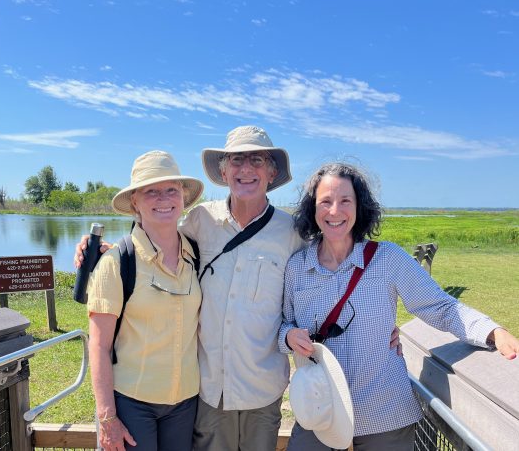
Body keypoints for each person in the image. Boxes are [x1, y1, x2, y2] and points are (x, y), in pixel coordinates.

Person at [76, 127, 402, 451]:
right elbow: (155, 236)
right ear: (223, 169)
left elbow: (332, 269)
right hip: (207, 391)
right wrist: (105, 252)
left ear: (271, 171)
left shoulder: (292, 233)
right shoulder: (200, 221)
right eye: (236, 160)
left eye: (256, 160)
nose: (246, 169)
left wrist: (375, 325)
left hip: (262, 391)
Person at [279, 162, 519, 451]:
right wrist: (289, 337)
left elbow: (440, 306)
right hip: (320, 410)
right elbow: (283, 324)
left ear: (360, 207)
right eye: (325, 202)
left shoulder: (387, 259)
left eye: (345, 201)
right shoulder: (297, 267)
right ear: (312, 209)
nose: (334, 211)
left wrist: (492, 331)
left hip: (384, 412)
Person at [86, 150, 204, 451]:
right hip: (132, 404)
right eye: (151, 191)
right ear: (135, 202)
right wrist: (107, 418)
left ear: (183, 197)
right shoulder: (116, 262)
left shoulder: (198, 254)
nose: (163, 198)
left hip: (185, 403)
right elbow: (99, 346)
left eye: (171, 190)